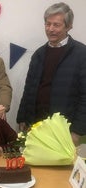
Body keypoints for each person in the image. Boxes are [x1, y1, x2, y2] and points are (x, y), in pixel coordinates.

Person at [17, 2, 86, 146]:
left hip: (65, 129)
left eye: (56, 25)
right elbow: (29, 89)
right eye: (47, 24)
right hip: (37, 125)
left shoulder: (81, 54)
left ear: (68, 26)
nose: (51, 29)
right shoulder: (38, 54)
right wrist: (22, 118)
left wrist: (77, 131)